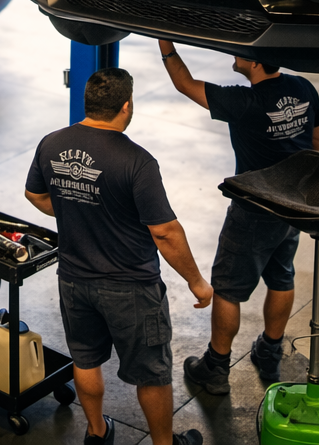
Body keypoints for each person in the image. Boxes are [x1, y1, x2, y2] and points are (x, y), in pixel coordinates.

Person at [25, 68, 211, 445]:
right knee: (151, 373)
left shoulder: (51, 143)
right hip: (131, 287)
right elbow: (165, 231)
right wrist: (197, 281)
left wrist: (74, 207)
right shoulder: (137, 161)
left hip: (75, 279)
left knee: (85, 359)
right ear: (126, 106)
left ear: (88, 102)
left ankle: (96, 432)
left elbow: (36, 195)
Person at [157, 40, 319, 395]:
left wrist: (166, 42)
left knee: (229, 289)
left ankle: (216, 368)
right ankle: (270, 352)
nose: (233, 54)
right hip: (292, 206)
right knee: (281, 276)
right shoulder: (302, 87)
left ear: (253, 63)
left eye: (238, 51)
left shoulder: (245, 102)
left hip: (253, 210)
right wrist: (294, 178)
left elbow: (184, 84)